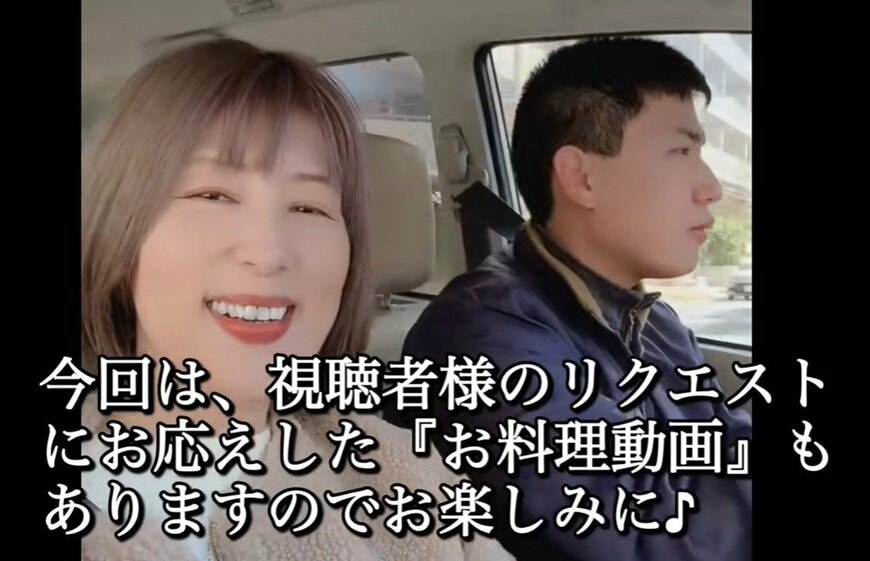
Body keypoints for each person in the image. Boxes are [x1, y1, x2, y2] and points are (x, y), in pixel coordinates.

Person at [80, 38, 514, 561]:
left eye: (308, 208)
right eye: (212, 195)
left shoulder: (406, 479)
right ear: (117, 231)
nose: (268, 252)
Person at [385, 37, 752, 561]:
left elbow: (728, 442)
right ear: (582, 178)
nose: (711, 187)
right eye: (681, 152)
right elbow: (645, 540)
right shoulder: (480, 339)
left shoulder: (653, 321)